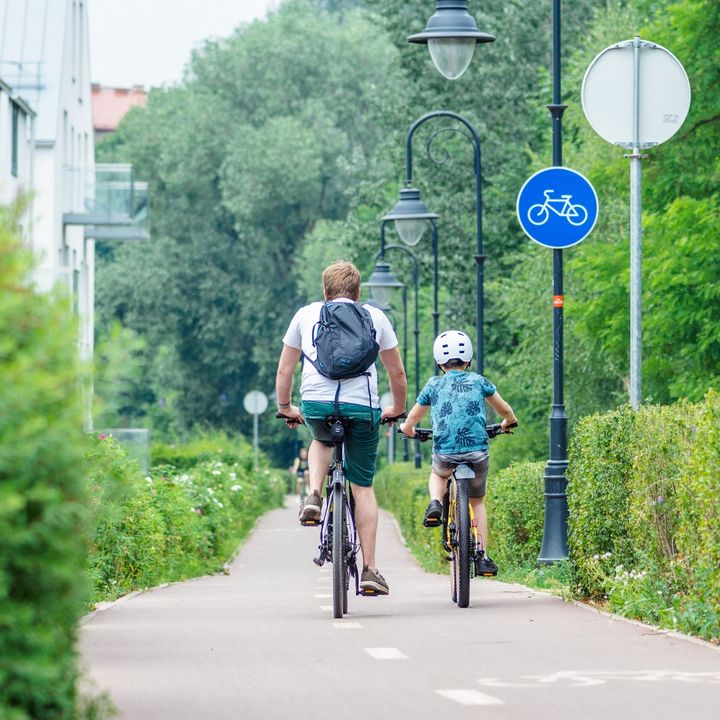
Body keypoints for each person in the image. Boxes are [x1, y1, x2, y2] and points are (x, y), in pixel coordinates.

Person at [275, 261, 407, 596]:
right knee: (362, 486)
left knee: (321, 439)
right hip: (363, 408)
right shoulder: (376, 317)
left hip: (317, 404)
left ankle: (315, 493)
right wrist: (398, 409)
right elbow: (397, 375)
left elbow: (285, 370)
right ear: (358, 292)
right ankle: (370, 570)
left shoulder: (306, 315)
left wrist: (285, 407)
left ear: (325, 291)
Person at [399, 330, 517, 575]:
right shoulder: (479, 381)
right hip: (477, 451)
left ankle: (434, 502)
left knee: (439, 474)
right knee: (477, 501)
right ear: (469, 359)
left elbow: (414, 416)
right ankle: (483, 555)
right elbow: (505, 409)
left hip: (445, 450)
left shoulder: (433, 384)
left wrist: (407, 429)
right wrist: (508, 422)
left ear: (439, 362)